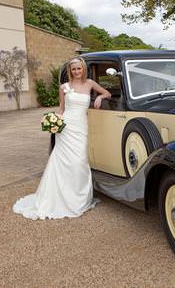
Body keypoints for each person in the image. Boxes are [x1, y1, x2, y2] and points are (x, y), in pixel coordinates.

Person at [13, 57, 112, 220]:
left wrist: (100, 97)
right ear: (70, 71)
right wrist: (52, 121)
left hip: (81, 127)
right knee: (62, 160)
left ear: (83, 69)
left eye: (79, 69)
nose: (77, 72)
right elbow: (61, 108)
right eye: (73, 69)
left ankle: (78, 197)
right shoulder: (64, 87)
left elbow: (107, 93)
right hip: (66, 128)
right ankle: (58, 198)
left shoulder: (90, 84)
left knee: (79, 161)